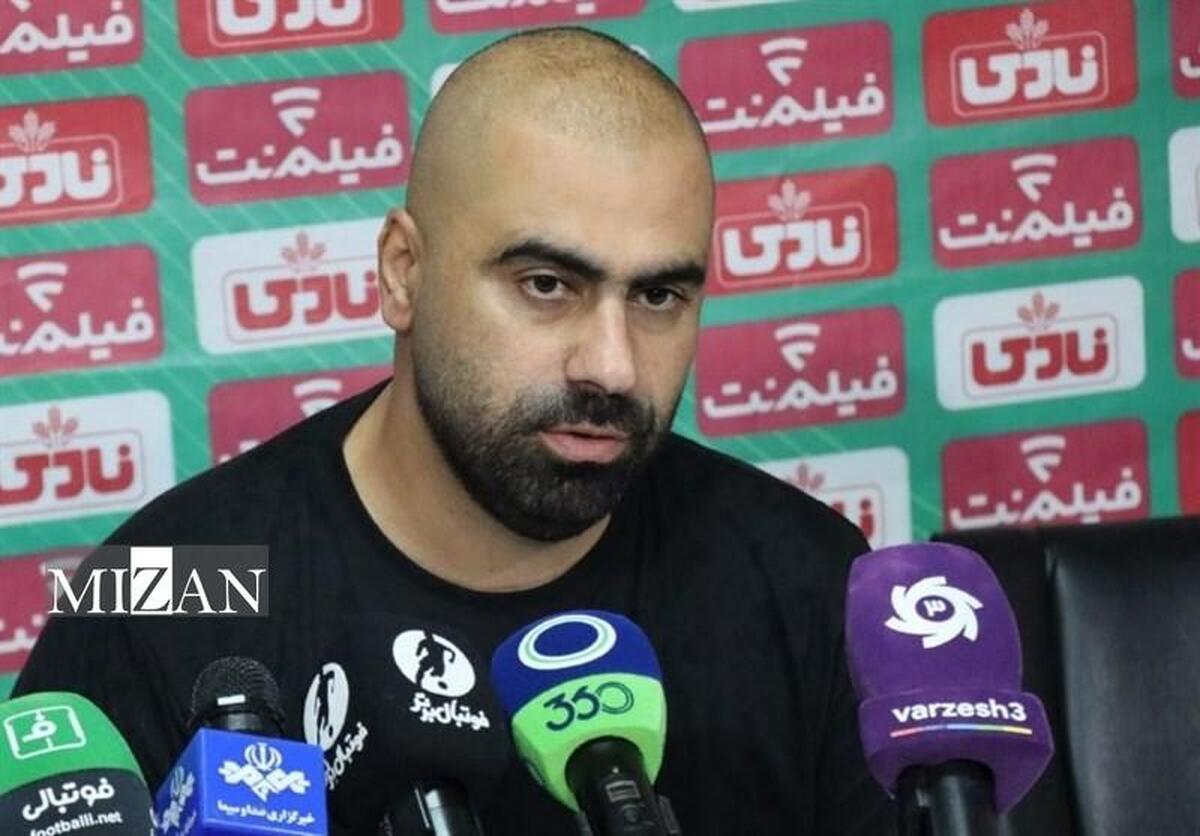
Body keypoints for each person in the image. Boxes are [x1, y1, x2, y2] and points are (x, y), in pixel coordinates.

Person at [15, 27, 895, 834]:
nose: (614, 366)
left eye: (658, 295)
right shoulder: (162, 589)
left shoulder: (802, 575)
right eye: (546, 285)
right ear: (403, 272)